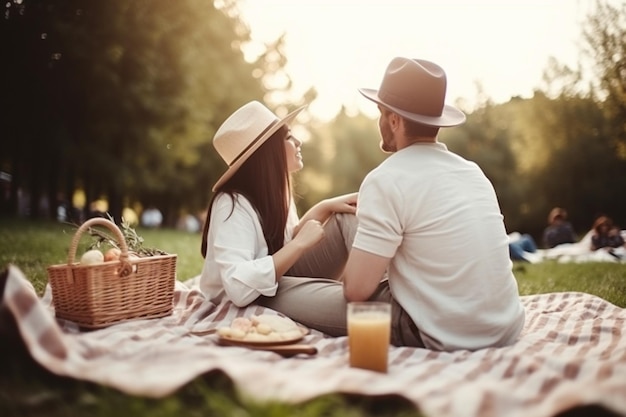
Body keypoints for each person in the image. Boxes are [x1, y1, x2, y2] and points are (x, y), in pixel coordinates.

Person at [265, 57, 525, 351]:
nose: (378, 121)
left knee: (271, 290)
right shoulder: (473, 172)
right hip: (503, 325)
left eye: (380, 112)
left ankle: (270, 275)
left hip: (431, 327)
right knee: (348, 220)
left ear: (393, 120)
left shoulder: (387, 178)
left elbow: (357, 291)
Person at [199, 101, 358, 323]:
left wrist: (324, 207)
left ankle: (393, 287)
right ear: (268, 152)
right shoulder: (231, 204)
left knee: (346, 215)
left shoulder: (275, 193)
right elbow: (238, 288)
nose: (298, 141)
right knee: (354, 305)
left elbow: (282, 247)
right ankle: (394, 311)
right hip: (256, 295)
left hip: (278, 281)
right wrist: (299, 244)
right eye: (289, 137)